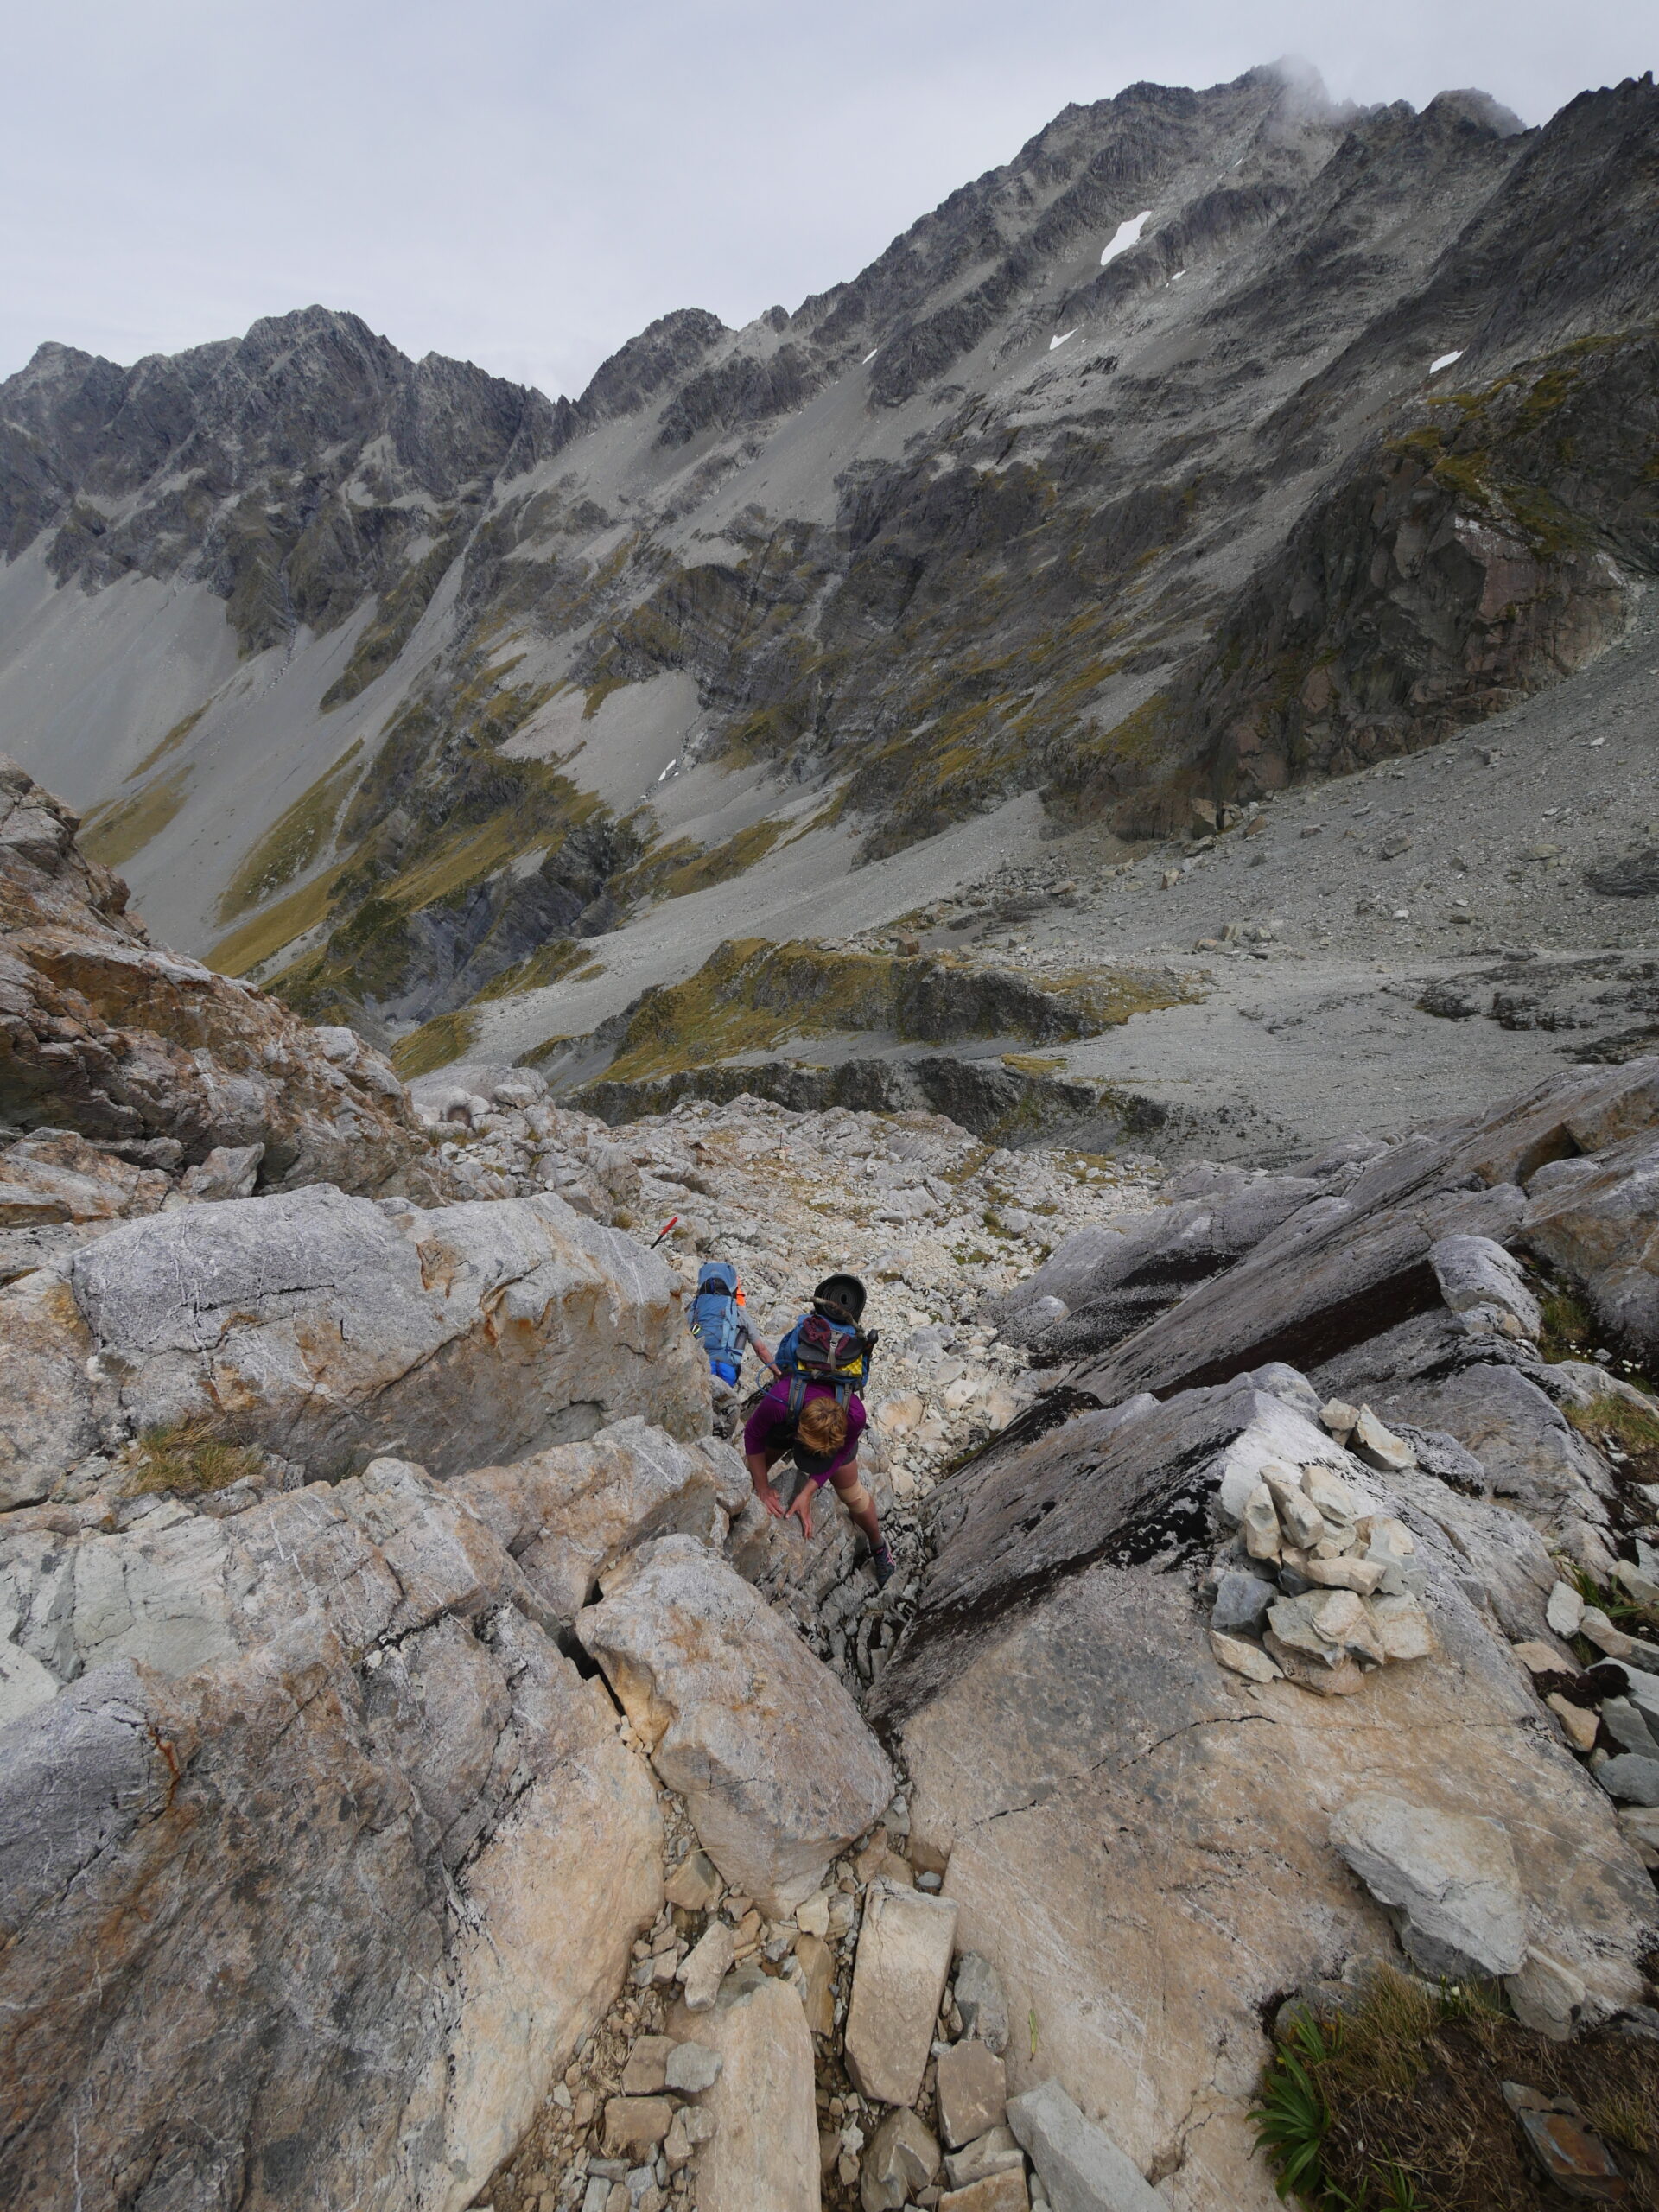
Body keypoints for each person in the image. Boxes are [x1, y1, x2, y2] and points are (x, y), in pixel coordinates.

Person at [743, 1272, 896, 1588]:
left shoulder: (853, 1414)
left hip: (810, 1420)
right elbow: (753, 1436)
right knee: (750, 1476)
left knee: (852, 1495)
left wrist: (808, 1492)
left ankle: (879, 1546)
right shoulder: (781, 1401)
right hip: (790, 1417)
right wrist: (761, 1487)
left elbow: (838, 1454)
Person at [688, 1260, 773, 1389]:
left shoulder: (694, 1309)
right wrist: (777, 1372)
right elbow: (760, 1349)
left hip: (699, 1369)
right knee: (743, 1331)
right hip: (727, 1373)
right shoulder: (737, 1311)